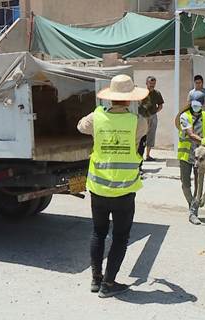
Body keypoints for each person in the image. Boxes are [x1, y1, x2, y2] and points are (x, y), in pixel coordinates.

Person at [77, 74, 148, 298]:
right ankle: (108, 284)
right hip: (125, 190)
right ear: (130, 99)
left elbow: (81, 127)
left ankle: (95, 280)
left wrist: (99, 117)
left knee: (98, 233)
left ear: (110, 98)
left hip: (98, 188)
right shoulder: (139, 122)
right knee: (120, 237)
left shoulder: (96, 117)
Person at [175, 100, 205, 225]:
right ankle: (191, 203)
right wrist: (204, 141)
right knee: (185, 182)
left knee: (198, 184)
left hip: (199, 155)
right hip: (186, 154)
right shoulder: (185, 116)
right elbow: (190, 134)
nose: (196, 107)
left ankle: (193, 212)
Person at [139, 76, 164, 161]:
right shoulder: (142, 93)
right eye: (150, 83)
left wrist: (154, 112)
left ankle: (148, 155)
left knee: (151, 135)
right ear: (146, 83)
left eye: (154, 83)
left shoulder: (157, 93)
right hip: (142, 117)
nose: (152, 85)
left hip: (152, 116)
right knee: (141, 135)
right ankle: (139, 155)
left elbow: (160, 106)